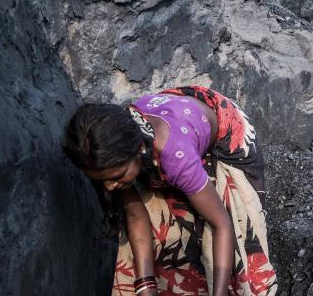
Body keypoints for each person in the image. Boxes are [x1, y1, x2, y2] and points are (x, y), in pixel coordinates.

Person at [63, 86, 277, 295]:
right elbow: (136, 216)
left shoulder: (175, 156)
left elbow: (222, 225)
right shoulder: (112, 153)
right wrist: (146, 287)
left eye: (116, 178)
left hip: (223, 133)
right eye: (102, 182)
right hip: (173, 122)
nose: (109, 187)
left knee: (240, 252)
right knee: (165, 232)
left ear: (139, 149)